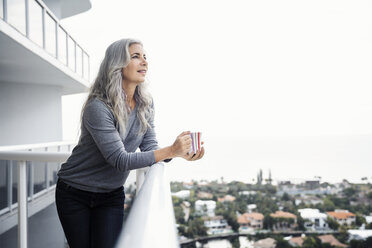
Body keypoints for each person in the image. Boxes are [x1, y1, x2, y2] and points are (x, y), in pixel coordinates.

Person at [55, 38, 205, 248]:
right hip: (74, 192)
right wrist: (170, 150)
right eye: (136, 56)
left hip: (111, 194)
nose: (144, 62)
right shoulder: (98, 107)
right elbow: (119, 160)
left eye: (145, 57)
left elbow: (150, 147)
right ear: (117, 64)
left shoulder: (146, 102)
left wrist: (179, 153)